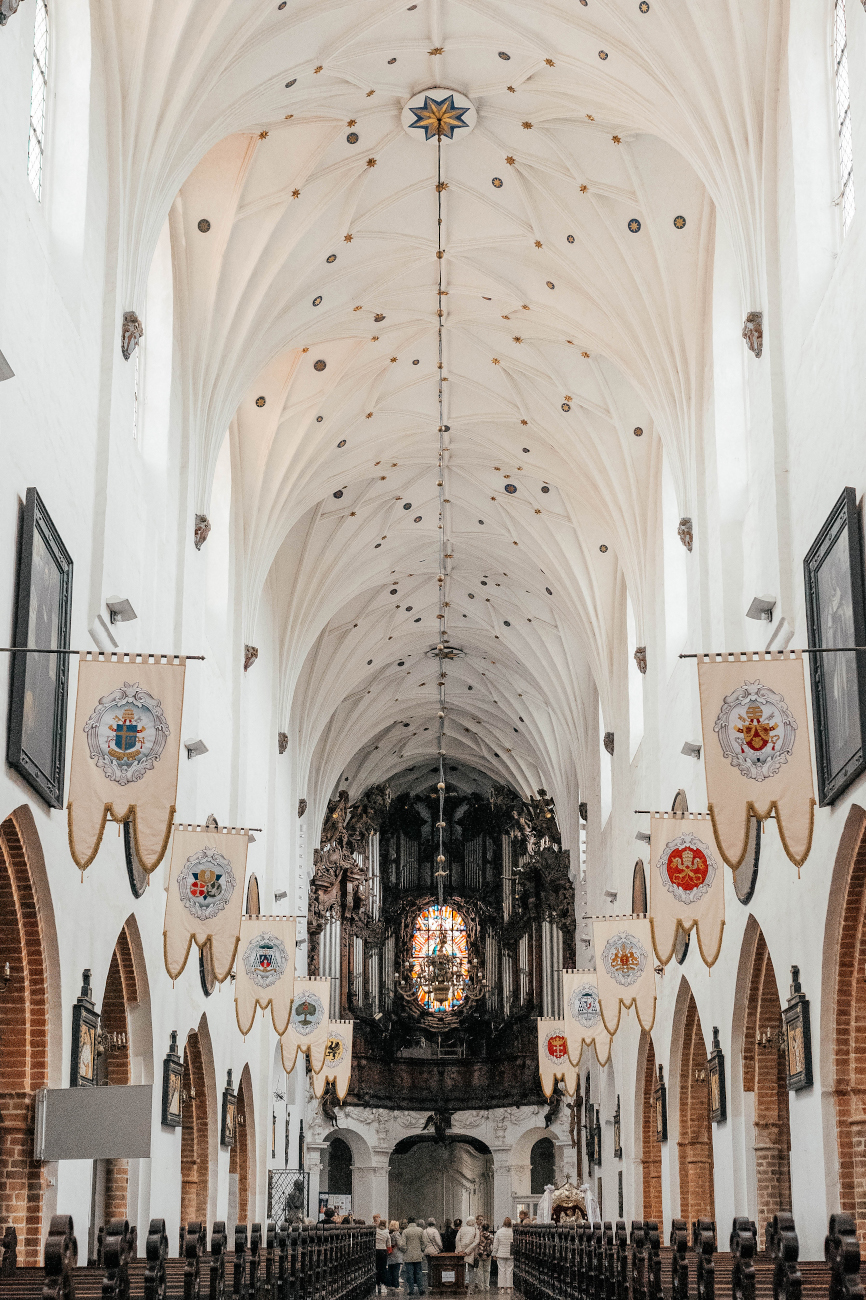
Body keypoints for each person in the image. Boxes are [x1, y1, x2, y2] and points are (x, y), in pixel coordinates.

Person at [402, 1216, 426, 1296]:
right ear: (415, 1222)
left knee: (409, 1273)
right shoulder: (420, 1230)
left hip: (408, 1255)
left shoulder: (405, 1231)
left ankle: (411, 1290)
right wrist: (421, 1249)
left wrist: (405, 1250)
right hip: (418, 1254)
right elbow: (424, 1242)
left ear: (408, 1222)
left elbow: (402, 1244)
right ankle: (421, 1289)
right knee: (418, 1272)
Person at [455, 1216, 480, 1289]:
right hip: (471, 1252)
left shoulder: (462, 1229)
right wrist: (467, 1251)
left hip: (461, 1252)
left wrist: (460, 1250)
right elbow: (476, 1242)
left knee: (461, 1269)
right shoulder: (476, 1230)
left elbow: (457, 1240)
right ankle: (471, 1286)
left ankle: (461, 1284)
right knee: (471, 1270)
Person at [492, 1218, 513, 1291]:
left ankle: (502, 1287)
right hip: (510, 1254)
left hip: (501, 1253)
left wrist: (494, 1253)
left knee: (501, 1270)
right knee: (509, 1270)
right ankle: (509, 1287)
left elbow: (496, 1244)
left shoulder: (499, 1232)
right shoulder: (512, 1232)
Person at [476, 1223, 494, 1291]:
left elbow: (477, 1244)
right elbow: (492, 1246)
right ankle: (487, 1286)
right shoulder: (491, 1236)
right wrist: (490, 1253)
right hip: (487, 1255)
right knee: (487, 1271)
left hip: (480, 1254)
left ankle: (481, 1287)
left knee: (480, 1271)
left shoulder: (479, 1235)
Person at [387, 1220, 404, 1293]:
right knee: (396, 1270)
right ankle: (396, 1285)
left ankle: (390, 1284)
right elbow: (400, 1244)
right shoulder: (396, 1234)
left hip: (390, 1253)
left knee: (390, 1269)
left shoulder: (389, 1233)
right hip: (396, 1253)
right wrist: (404, 1248)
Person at [376, 1218, 391, 1295]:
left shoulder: (376, 1231)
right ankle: (383, 1285)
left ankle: (376, 1284)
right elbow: (389, 1244)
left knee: (376, 1268)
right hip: (383, 1251)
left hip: (376, 1250)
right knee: (383, 1268)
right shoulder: (386, 1232)